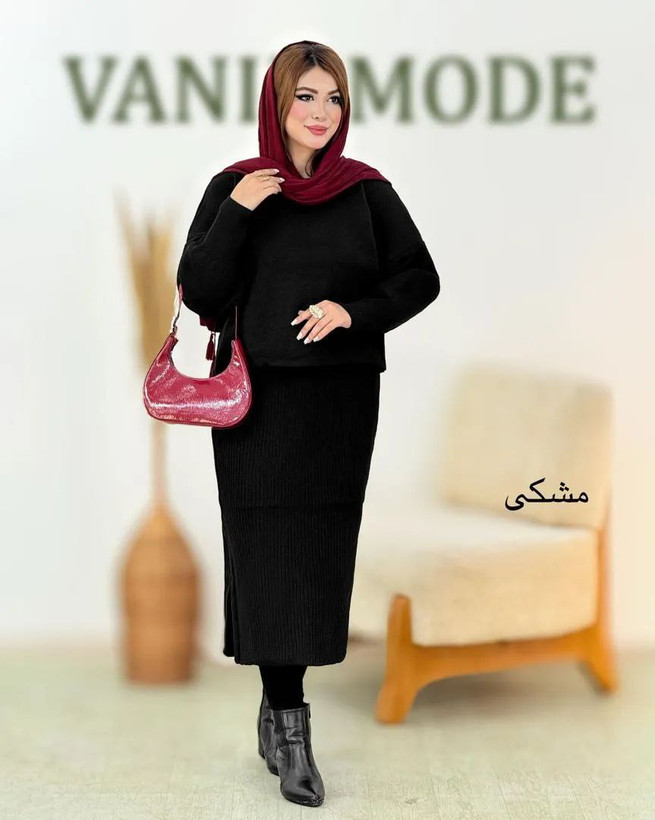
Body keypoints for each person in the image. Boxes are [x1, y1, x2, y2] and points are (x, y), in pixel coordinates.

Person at [176, 39, 441, 808]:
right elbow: (200, 291)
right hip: (255, 403)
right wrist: (238, 212)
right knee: (267, 552)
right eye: (305, 96)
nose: (320, 112)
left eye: (333, 98)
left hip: (338, 402)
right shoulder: (236, 186)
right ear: (276, 102)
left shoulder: (366, 191)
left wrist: (351, 312)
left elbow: (419, 278)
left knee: (316, 555)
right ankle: (290, 728)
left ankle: (279, 713)